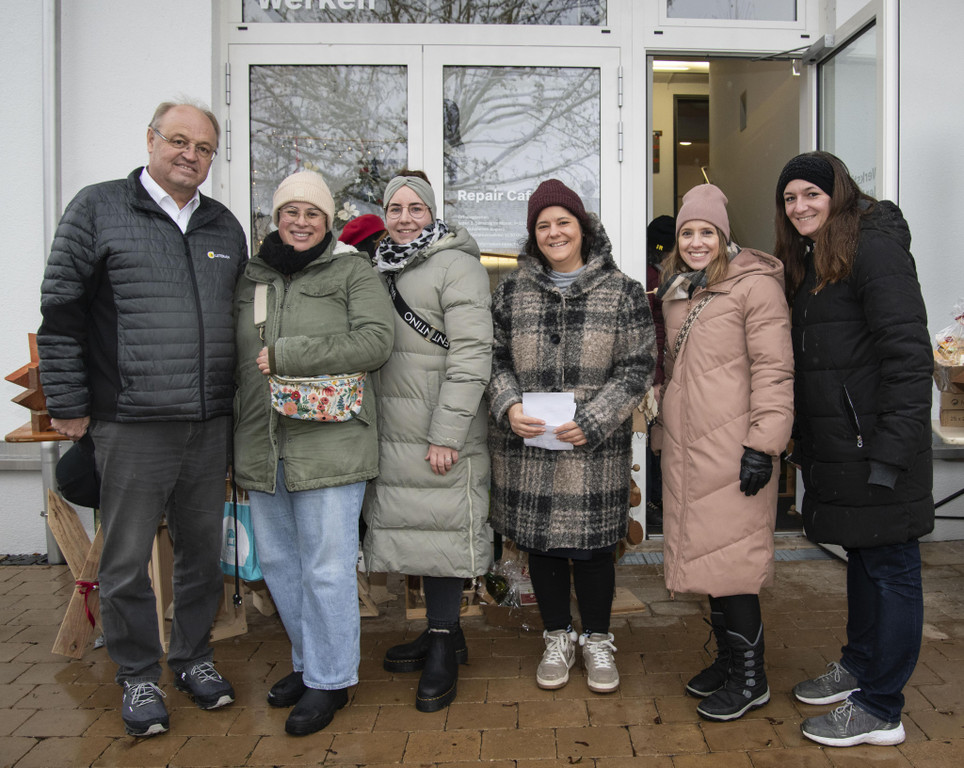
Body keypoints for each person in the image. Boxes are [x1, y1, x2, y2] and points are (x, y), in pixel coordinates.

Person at [37, 101, 247, 737]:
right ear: (151, 140)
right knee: (126, 559)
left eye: (203, 148)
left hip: (208, 422)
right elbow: (62, 312)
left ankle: (193, 658)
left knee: (202, 554)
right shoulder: (98, 208)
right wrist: (69, 404)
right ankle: (136, 675)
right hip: (131, 421)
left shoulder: (223, 226)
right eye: (178, 140)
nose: (190, 155)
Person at [774, 152, 933, 747]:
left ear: (838, 193)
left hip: (880, 448)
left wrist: (891, 453)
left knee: (891, 571)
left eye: (810, 194)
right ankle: (860, 665)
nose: (800, 207)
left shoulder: (875, 250)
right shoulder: (818, 258)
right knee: (863, 560)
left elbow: (908, 358)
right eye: (790, 199)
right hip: (847, 447)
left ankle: (881, 707)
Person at [233, 171, 394, 735]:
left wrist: (291, 354)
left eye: (313, 214)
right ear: (276, 218)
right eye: (291, 212)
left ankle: (332, 680)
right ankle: (309, 665)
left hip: (332, 444)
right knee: (281, 565)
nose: (300, 222)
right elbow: (235, 359)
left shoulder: (352, 271)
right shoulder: (252, 275)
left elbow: (376, 341)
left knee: (326, 569)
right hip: (263, 443)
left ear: (328, 222)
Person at [487, 179, 656, 695]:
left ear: (583, 228)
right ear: (533, 235)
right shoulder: (511, 292)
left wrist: (596, 419)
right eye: (543, 225)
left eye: (563, 222)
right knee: (542, 547)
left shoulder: (623, 290)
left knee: (594, 549)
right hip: (531, 446)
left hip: (592, 449)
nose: (554, 232)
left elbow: (637, 366)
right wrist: (508, 405)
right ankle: (557, 636)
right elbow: (492, 358)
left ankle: (598, 639)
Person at [652, 183, 793, 722]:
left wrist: (764, 444)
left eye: (706, 232)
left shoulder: (755, 287)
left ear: (724, 236)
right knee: (707, 558)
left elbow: (775, 371)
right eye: (687, 232)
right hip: (690, 449)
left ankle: (751, 679)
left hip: (736, 450)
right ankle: (731, 662)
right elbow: (677, 372)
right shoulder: (678, 291)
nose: (695, 241)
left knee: (734, 564)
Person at [362, 172, 493, 713]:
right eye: (395, 208)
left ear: (433, 212)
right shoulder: (378, 265)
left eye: (416, 208)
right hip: (395, 429)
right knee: (419, 532)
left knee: (442, 533)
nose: (405, 218)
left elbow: (472, 354)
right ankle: (445, 632)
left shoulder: (457, 266)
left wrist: (446, 433)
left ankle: (442, 643)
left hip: (441, 430)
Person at [644, 214, 675, 532]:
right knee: (653, 439)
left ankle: (660, 499)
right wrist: (656, 379)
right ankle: (652, 501)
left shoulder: (665, 272)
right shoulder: (651, 276)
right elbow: (654, 330)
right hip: (655, 373)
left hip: (668, 369)